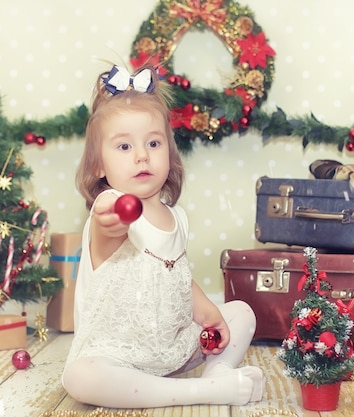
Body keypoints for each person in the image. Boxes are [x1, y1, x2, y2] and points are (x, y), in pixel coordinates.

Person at [62, 64, 265, 408]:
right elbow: (106, 220)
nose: (142, 155)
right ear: (99, 165)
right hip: (116, 352)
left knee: (242, 313)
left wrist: (209, 314)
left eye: (153, 143)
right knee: (80, 377)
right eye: (124, 147)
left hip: (168, 348)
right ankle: (204, 392)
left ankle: (217, 372)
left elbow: (176, 275)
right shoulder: (111, 206)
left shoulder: (177, 218)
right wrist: (110, 218)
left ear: (168, 154)